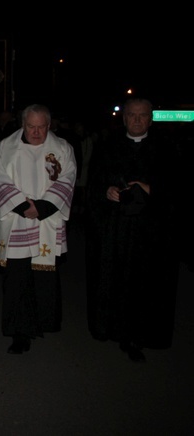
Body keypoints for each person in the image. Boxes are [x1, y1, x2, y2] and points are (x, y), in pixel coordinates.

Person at [85, 98, 179, 362]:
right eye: (132, 115)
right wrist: (107, 191)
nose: (137, 120)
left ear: (151, 119)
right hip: (115, 231)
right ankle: (113, 329)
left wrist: (151, 190)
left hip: (150, 234)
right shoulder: (108, 146)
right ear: (124, 118)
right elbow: (94, 183)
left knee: (144, 283)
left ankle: (139, 335)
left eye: (142, 115)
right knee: (115, 280)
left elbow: (178, 188)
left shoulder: (166, 148)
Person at [0, 103, 76, 354]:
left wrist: (42, 207)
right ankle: (20, 333)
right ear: (23, 124)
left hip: (46, 220)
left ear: (49, 126)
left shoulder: (61, 148)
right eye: (31, 127)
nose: (37, 133)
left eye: (41, 127)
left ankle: (42, 322)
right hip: (17, 220)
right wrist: (21, 205)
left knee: (43, 278)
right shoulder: (7, 147)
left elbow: (68, 178)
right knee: (17, 279)